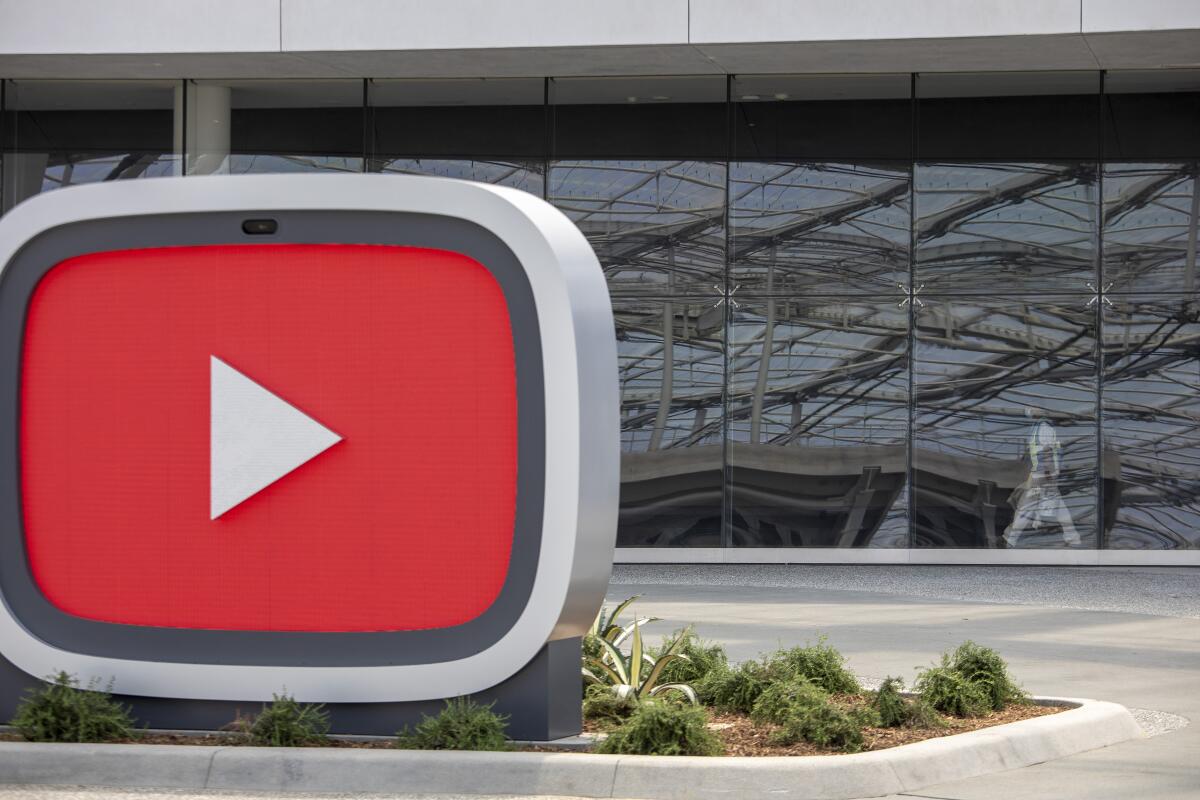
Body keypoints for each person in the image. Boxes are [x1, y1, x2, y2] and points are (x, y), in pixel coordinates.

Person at [1004, 408, 1082, 548]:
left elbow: (1046, 452)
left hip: (1043, 476)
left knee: (1026, 507)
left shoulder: (1043, 428)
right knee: (1056, 506)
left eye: (1031, 413)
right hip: (1043, 475)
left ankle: (1011, 539)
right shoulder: (1042, 428)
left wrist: (1048, 474)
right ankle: (1072, 537)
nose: (1030, 415)